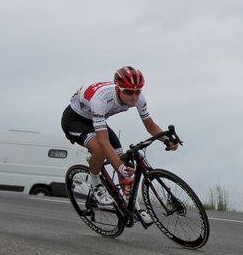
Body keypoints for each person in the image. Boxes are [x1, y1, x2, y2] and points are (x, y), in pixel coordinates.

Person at [61, 66, 176, 208]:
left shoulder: (138, 98)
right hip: (75, 120)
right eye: (128, 92)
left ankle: (131, 206)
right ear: (118, 89)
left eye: (137, 91)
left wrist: (166, 140)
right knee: (101, 150)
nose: (134, 96)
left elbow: (150, 126)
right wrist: (119, 168)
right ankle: (95, 183)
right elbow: (103, 140)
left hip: (96, 120)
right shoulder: (100, 99)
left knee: (124, 161)